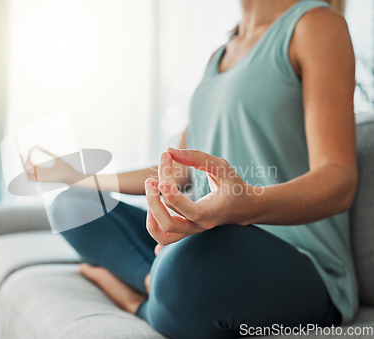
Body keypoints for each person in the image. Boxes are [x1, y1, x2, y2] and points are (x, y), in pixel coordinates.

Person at [26, 0, 358, 337]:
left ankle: (141, 301)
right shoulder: (219, 57)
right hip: (207, 241)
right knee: (72, 205)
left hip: (299, 263)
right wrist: (75, 176)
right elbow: (174, 170)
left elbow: (339, 179)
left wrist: (248, 205)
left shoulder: (315, 25)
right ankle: (157, 284)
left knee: (190, 261)